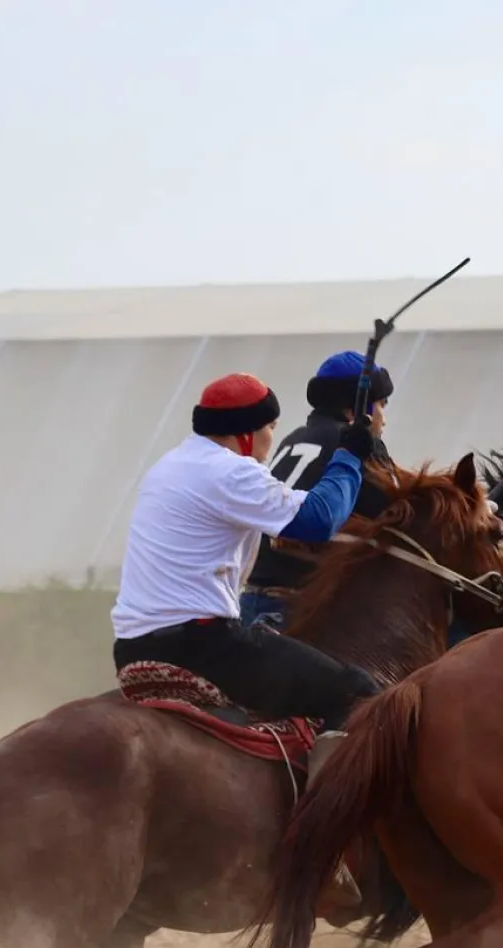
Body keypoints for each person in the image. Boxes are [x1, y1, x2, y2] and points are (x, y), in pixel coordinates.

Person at [110, 372, 380, 907]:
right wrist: (350, 455)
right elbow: (319, 520)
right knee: (357, 694)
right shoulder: (231, 473)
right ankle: (327, 852)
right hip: (201, 644)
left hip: (134, 644)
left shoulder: (171, 466)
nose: (270, 442)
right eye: (270, 430)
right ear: (244, 436)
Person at [241, 351, 396, 630]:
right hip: (301, 610)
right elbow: (400, 515)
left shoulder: (294, 438)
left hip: (250, 602)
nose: (384, 418)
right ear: (361, 409)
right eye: (382, 404)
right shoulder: (361, 446)